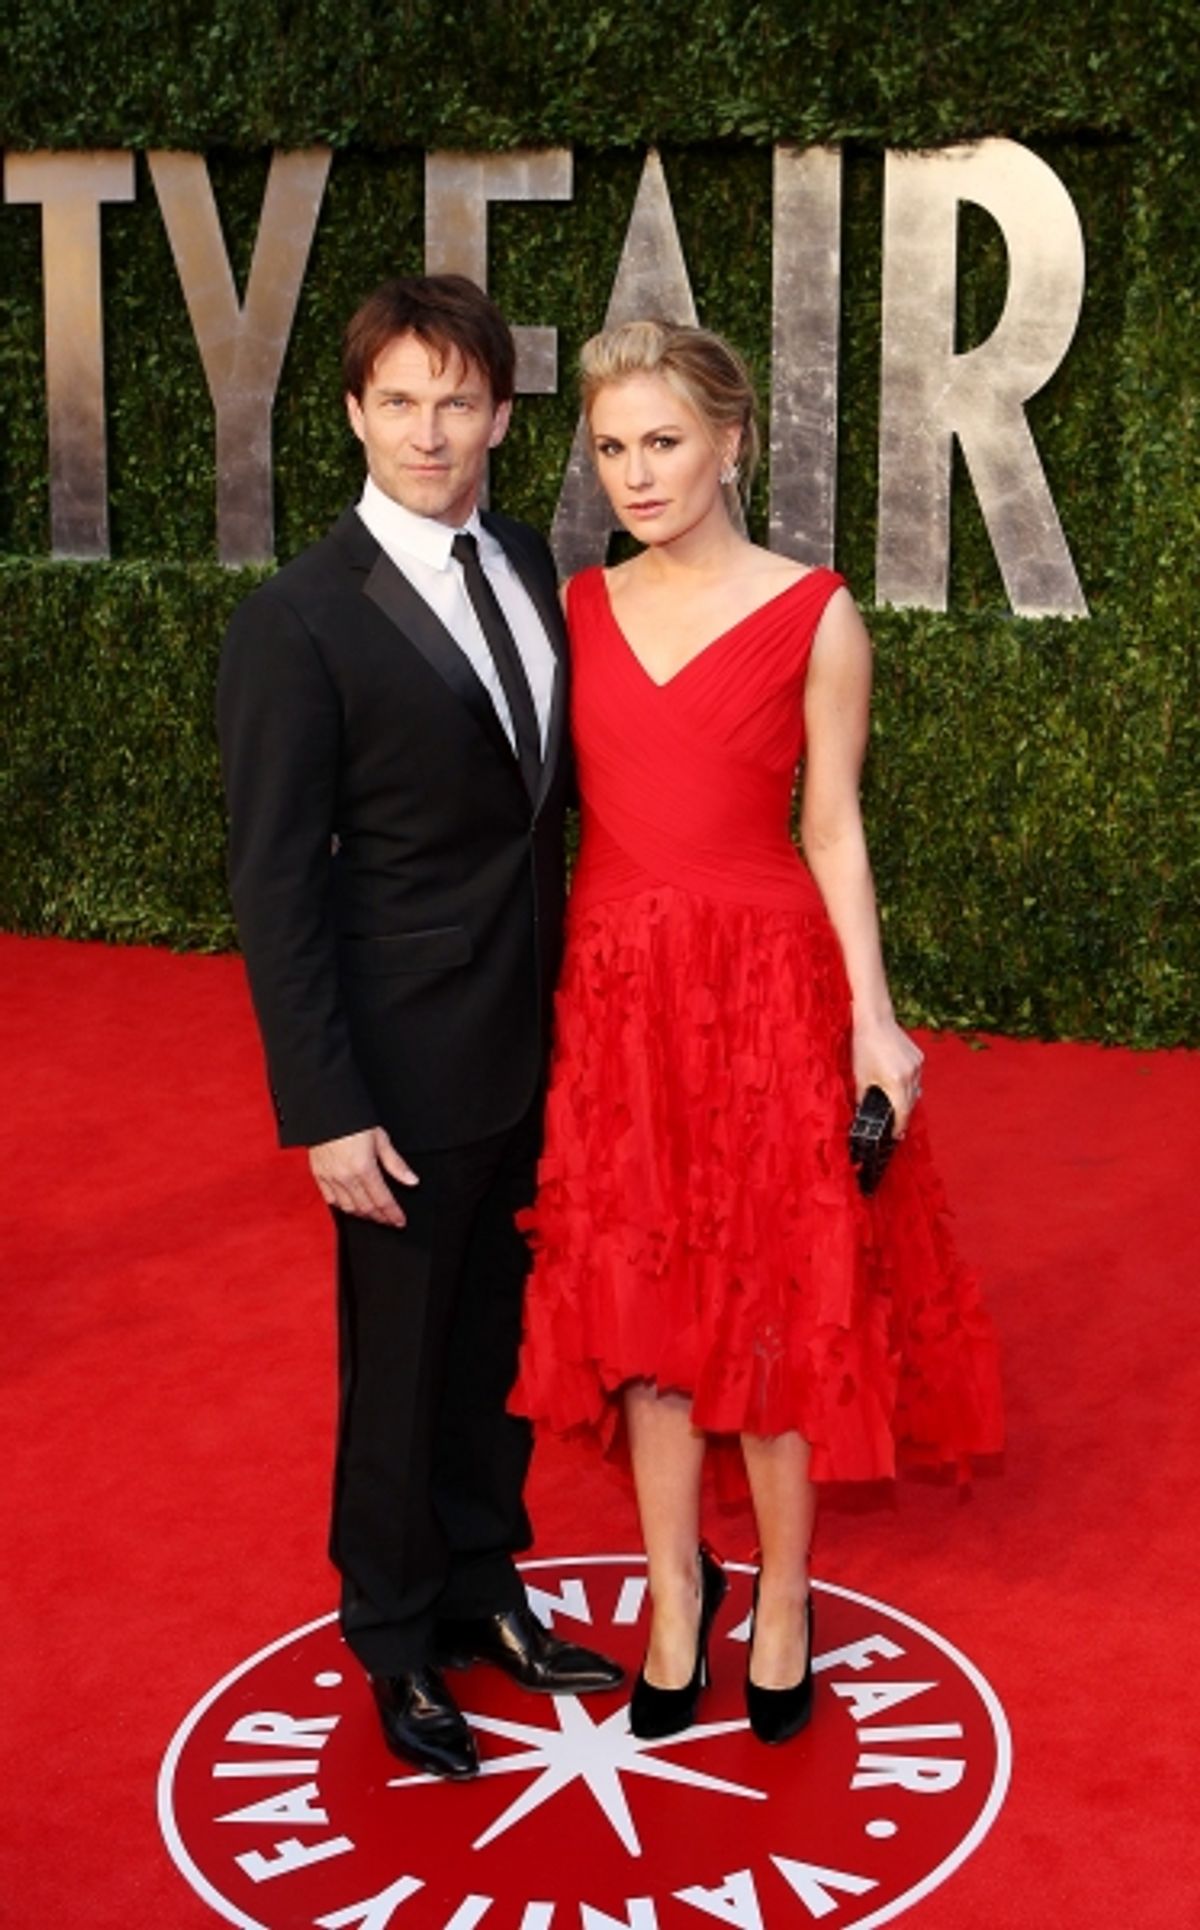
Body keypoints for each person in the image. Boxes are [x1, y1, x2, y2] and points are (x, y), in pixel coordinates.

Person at [511, 319, 1003, 1747]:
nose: (636, 473)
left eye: (663, 441)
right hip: (619, 1004)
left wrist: (874, 1023)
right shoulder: (576, 611)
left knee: (774, 1319)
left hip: (763, 994)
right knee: (651, 1324)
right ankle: (678, 1594)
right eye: (610, 448)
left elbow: (834, 831)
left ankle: (784, 1597)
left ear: (734, 441)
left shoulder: (818, 613)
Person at [216, 274, 622, 1785]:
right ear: (353, 414)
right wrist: (325, 1102)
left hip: (532, 1050)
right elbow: (273, 885)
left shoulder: (525, 556)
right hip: (393, 1072)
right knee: (393, 1370)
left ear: (504, 419)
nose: (429, 429)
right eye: (400, 399)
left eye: (459, 400)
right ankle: (391, 1638)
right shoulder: (298, 620)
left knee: (489, 1354)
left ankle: (480, 1588)